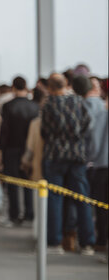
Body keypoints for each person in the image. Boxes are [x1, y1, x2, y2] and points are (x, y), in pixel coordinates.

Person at [41, 73, 94, 255]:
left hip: (54, 155)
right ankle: (87, 244)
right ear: (66, 84)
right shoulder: (79, 102)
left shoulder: (48, 105)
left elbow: (44, 131)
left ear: (50, 87)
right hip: (77, 156)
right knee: (82, 199)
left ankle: (55, 244)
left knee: (54, 199)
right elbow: (89, 124)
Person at [0, 76, 38, 226]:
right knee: (28, 183)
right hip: (28, 149)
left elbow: (4, 131)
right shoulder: (34, 106)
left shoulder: (7, 106)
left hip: (11, 148)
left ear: (13, 88)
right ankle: (29, 214)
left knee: (12, 184)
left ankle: (14, 215)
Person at [78, 76, 108, 251]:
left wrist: (91, 158)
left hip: (101, 165)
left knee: (101, 206)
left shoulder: (102, 115)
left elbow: (95, 142)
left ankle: (102, 241)